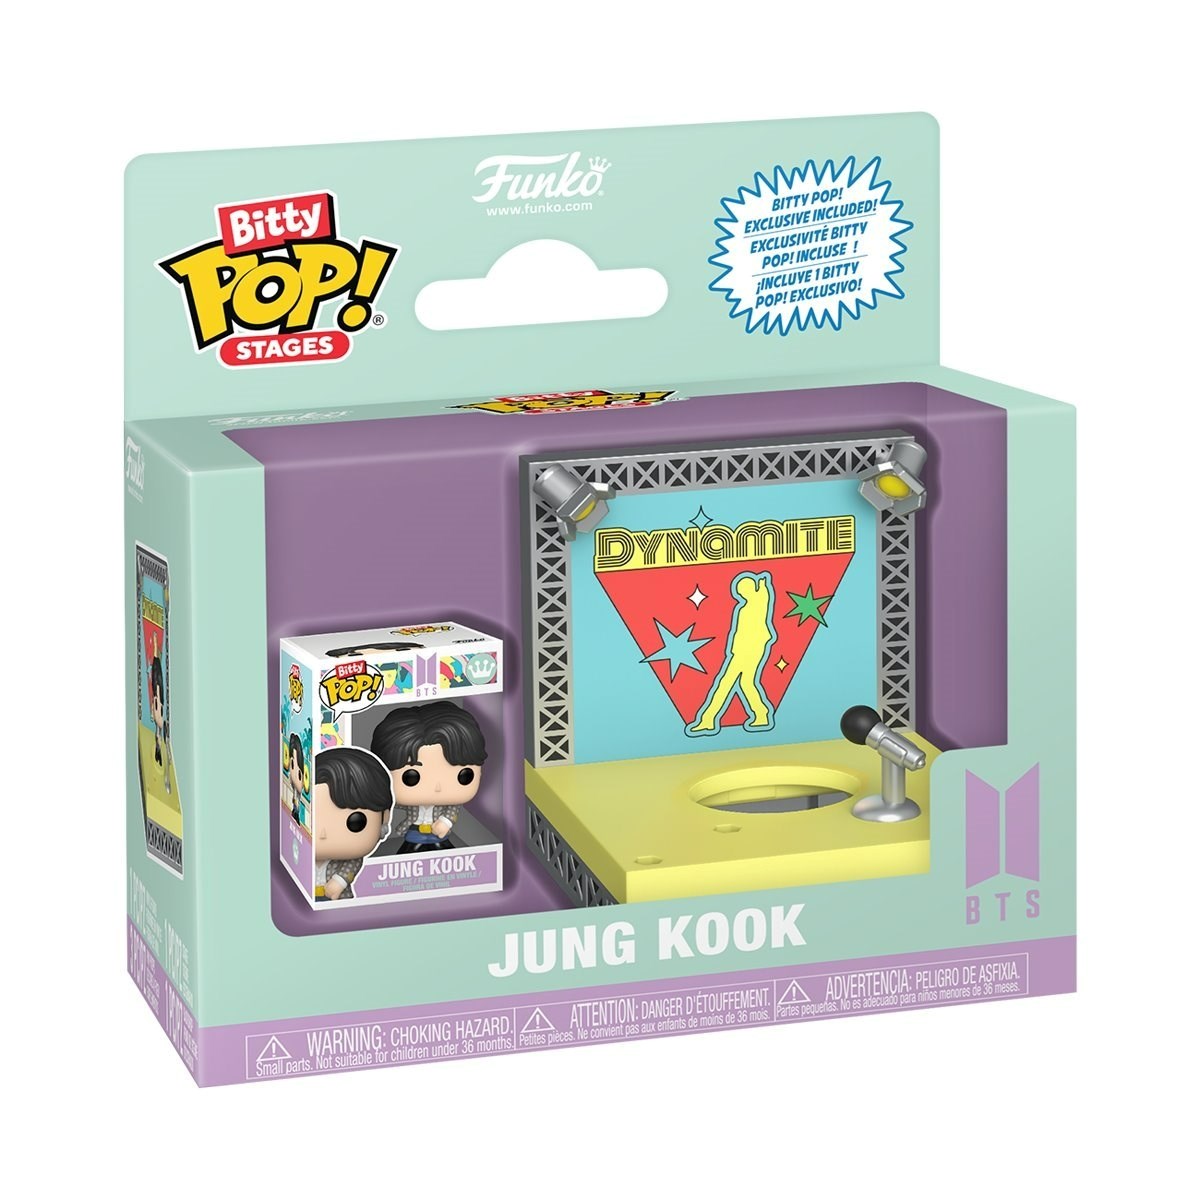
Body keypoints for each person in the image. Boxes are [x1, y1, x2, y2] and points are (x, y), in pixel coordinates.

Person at [371, 701, 487, 853]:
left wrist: (445, 823)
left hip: (439, 836)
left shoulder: (449, 805)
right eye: (411, 777)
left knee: (447, 853)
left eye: (464, 775)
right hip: (414, 834)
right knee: (408, 853)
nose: (437, 787)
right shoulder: (410, 803)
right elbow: (391, 803)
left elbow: (452, 812)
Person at [313, 747, 393, 901]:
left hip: (339, 898)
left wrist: (339, 882)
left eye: (355, 822)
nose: (323, 833)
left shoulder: (350, 859)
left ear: (384, 818)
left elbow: (351, 867)